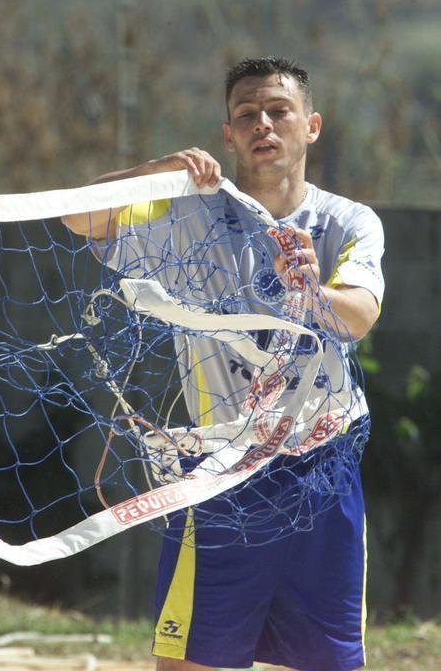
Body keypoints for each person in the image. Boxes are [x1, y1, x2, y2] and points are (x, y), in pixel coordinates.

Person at [64, 56, 384, 671]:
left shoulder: (347, 221)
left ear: (311, 126)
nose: (264, 124)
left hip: (322, 468)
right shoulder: (188, 213)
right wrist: (154, 173)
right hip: (222, 472)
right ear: (228, 135)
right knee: (192, 659)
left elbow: (359, 315)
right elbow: (80, 216)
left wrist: (313, 290)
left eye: (278, 111)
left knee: (330, 661)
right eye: (247, 114)